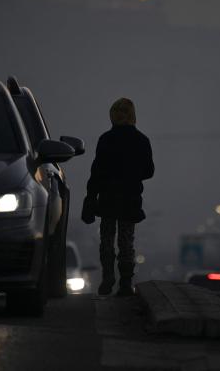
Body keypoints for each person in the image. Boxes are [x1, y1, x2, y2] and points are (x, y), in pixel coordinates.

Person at [82, 98, 154, 296]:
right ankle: (125, 282)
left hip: (107, 199)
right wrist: (131, 172)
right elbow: (149, 171)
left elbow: (96, 172)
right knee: (126, 241)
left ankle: (107, 277)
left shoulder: (106, 139)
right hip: (129, 200)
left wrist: (90, 196)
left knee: (106, 239)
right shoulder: (141, 140)